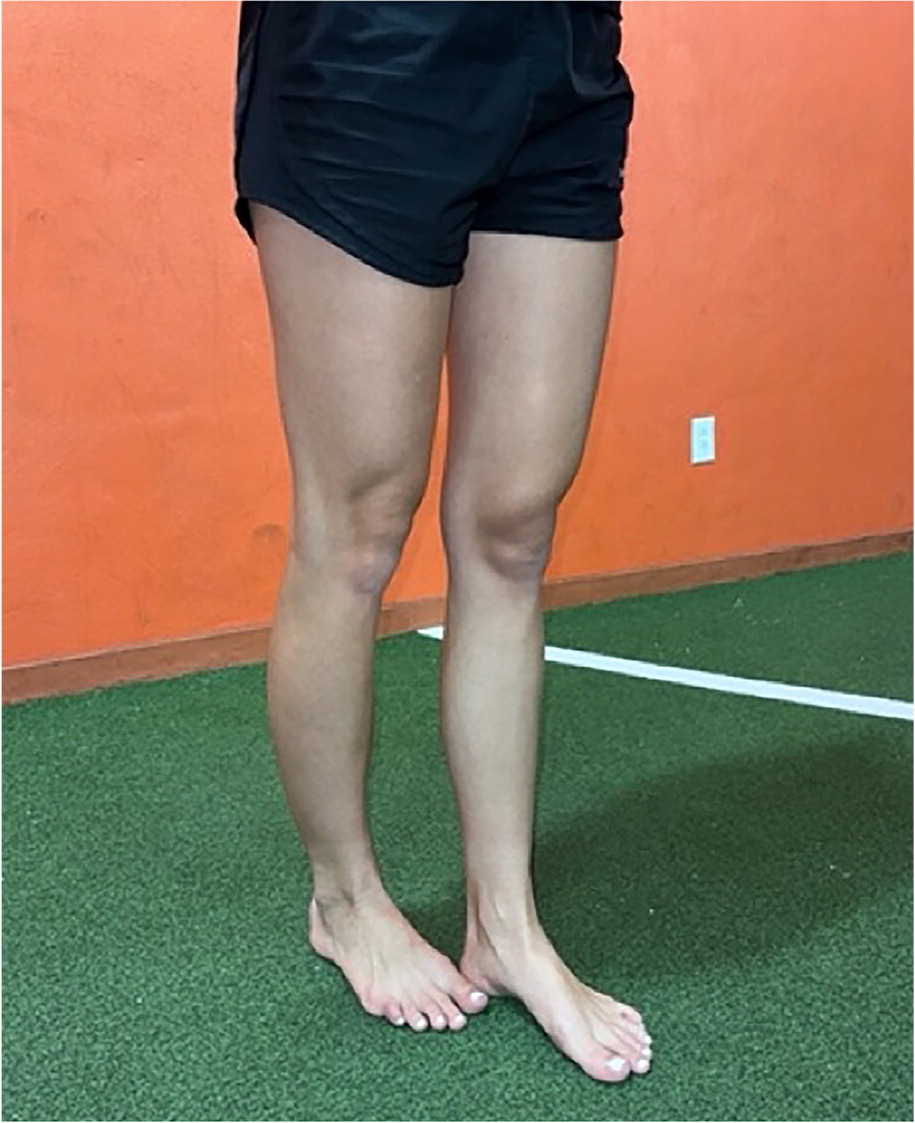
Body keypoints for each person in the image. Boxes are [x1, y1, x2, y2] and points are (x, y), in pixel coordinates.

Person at [232, 0, 649, 1084]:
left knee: (514, 528)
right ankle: (345, 900)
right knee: (359, 523)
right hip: (367, 49)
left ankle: (504, 924)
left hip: (561, 53)